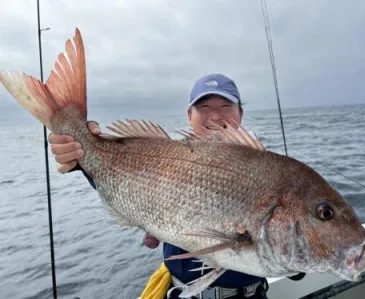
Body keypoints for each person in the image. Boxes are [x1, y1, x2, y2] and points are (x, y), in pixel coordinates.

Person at [49, 73, 277, 298]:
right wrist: (79, 157)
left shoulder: (271, 173)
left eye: (226, 105)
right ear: (190, 115)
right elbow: (123, 177)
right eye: (204, 107)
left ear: (241, 113)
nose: (216, 116)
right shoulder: (167, 160)